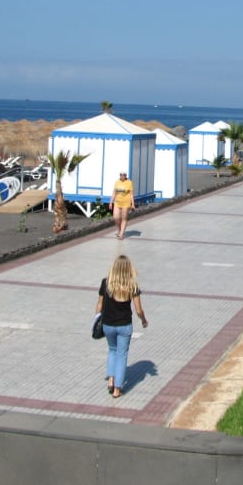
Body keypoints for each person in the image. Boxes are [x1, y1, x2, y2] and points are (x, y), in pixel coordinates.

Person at [95, 255, 148, 399]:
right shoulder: (133, 286)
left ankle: (111, 380)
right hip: (124, 325)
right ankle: (118, 389)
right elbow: (138, 310)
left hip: (108, 324)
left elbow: (99, 304)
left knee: (112, 350)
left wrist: (96, 318)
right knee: (122, 354)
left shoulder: (106, 283)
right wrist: (144, 320)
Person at [109, 171, 135, 239]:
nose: (122, 176)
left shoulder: (129, 182)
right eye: (121, 175)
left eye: (124, 175)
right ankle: (120, 229)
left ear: (126, 175)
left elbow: (131, 194)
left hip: (126, 203)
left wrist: (133, 204)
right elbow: (114, 193)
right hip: (117, 202)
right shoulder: (117, 182)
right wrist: (111, 202)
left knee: (124, 218)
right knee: (116, 217)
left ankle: (121, 234)